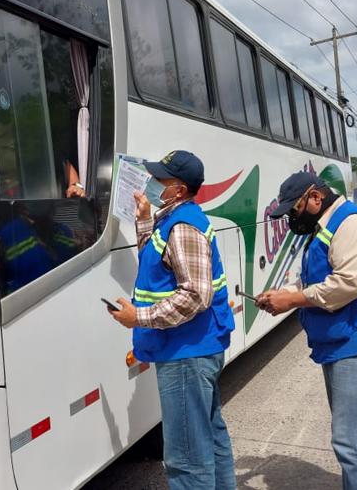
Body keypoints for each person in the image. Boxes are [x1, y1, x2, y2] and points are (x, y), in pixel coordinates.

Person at [255, 172, 357, 490]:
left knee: (352, 443)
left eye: (294, 209)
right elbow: (316, 277)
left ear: (315, 197)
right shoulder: (326, 228)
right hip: (348, 341)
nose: (292, 218)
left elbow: (348, 283)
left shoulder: (352, 224)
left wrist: (294, 300)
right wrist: (283, 294)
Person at [107, 150, 236, 490]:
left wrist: (139, 317)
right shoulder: (174, 221)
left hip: (185, 354)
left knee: (186, 459)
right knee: (210, 438)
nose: (151, 183)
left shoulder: (183, 228)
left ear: (178, 189)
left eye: (159, 180)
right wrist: (144, 219)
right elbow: (160, 265)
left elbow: (195, 295)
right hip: (192, 348)